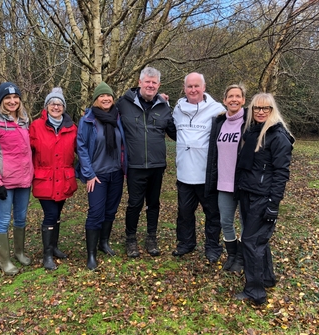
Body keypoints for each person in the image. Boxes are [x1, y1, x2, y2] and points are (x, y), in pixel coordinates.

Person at [234, 93, 294, 305]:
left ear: (272, 110)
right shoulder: (252, 131)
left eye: (265, 108)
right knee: (258, 241)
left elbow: (281, 173)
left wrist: (273, 204)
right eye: (256, 108)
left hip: (263, 197)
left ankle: (255, 292)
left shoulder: (278, 136)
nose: (260, 112)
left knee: (251, 242)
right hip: (248, 193)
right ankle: (266, 278)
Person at [116, 66, 176, 257]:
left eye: (154, 82)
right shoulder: (123, 103)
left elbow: (175, 132)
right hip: (135, 165)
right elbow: (105, 114)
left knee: (154, 203)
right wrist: (88, 115)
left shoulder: (164, 106)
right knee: (134, 204)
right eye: (147, 81)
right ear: (140, 82)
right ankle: (131, 239)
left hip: (157, 165)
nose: (150, 85)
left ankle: (151, 237)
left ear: (158, 85)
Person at [172, 72, 225, 263]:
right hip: (184, 173)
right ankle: (186, 243)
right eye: (189, 86)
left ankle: (212, 247)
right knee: (184, 213)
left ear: (204, 87)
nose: (193, 90)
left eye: (196, 86)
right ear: (184, 88)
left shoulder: (217, 110)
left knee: (212, 214)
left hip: (207, 175)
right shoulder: (177, 109)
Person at [0, 82, 33, 275]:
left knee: (21, 218)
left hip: (24, 180)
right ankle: (5, 261)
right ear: (1, 101)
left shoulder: (23, 120)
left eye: (15, 97)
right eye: (8, 98)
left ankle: (19, 252)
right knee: (3, 220)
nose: (12, 101)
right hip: (4, 183)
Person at [76, 81, 127, 270]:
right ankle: (91, 254)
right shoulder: (88, 119)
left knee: (111, 211)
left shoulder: (118, 117)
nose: (106, 99)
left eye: (109, 96)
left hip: (116, 173)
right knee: (95, 212)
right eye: (101, 96)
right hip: (96, 175)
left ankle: (103, 243)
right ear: (96, 99)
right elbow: (81, 147)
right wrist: (88, 174)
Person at [30, 87, 78, 270]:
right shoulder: (36, 127)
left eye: (59, 104)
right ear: (46, 106)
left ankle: (55, 247)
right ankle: (47, 254)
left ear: (64, 107)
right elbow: (26, 152)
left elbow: (80, 150)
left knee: (57, 215)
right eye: (52, 103)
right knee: (50, 215)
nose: (56, 106)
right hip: (44, 180)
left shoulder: (71, 128)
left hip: (64, 179)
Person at [205, 84, 247, 272]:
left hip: (244, 183)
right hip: (223, 182)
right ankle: (232, 255)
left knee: (246, 224)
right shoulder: (219, 122)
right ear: (224, 100)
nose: (234, 99)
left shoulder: (250, 122)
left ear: (244, 100)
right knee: (226, 222)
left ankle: (242, 258)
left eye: (238, 96)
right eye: (230, 96)